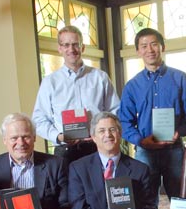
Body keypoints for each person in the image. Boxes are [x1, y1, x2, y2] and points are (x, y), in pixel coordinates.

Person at [119, 27, 186, 203]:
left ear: (162, 47)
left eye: (154, 44)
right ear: (138, 51)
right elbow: (124, 121)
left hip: (174, 150)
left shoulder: (180, 78)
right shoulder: (132, 86)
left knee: (182, 198)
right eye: (144, 46)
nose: (150, 50)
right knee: (144, 200)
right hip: (145, 151)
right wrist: (141, 140)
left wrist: (179, 131)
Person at [32, 25, 120, 166]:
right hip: (65, 151)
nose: (71, 49)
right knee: (67, 189)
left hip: (97, 146)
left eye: (75, 44)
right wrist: (58, 136)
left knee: (101, 188)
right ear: (59, 48)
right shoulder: (50, 82)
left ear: (82, 47)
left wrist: (104, 132)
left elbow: (115, 111)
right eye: (66, 45)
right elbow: (39, 119)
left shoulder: (100, 77)